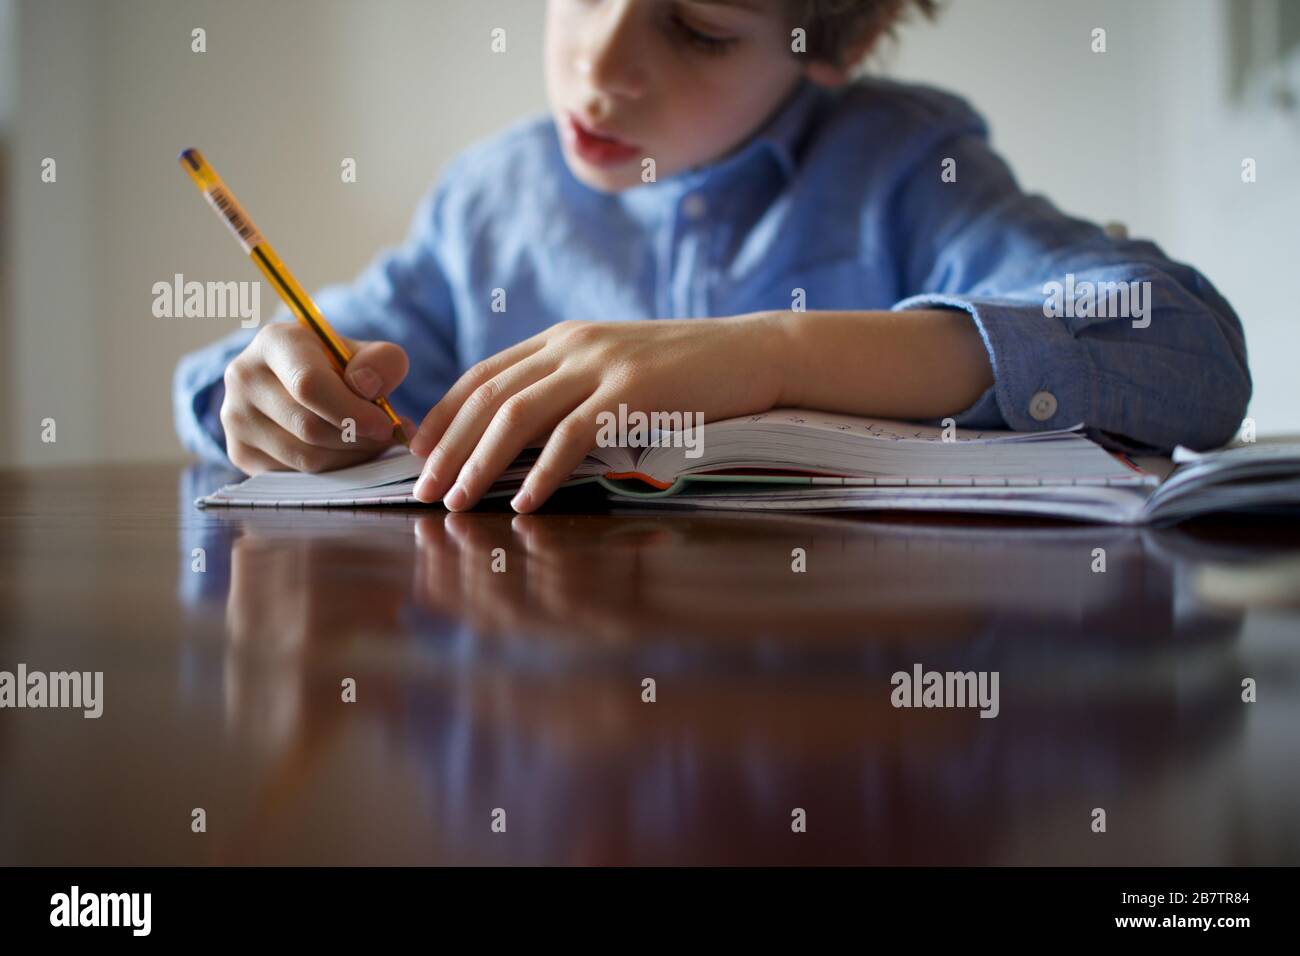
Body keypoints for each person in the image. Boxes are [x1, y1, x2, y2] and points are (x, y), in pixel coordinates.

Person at [174, 0, 1252, 513]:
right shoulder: (486, 206)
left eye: (695, 28)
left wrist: (776, 354)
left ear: (835, 44)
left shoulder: (905, 170)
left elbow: (1183, 344)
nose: (598, 62)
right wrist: (270, 390)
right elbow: (275, 371)